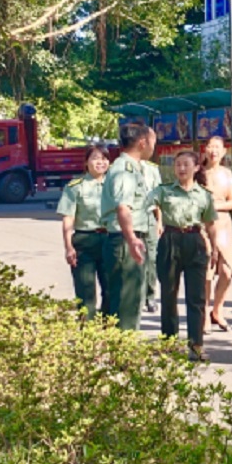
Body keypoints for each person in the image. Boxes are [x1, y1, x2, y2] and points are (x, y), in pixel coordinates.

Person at [149, 150, 218, 362]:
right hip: (170, 240)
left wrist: (215, 249)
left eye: (186, 164)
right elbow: (147, 204)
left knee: (196, 297)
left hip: (195, 241)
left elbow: (210, 224)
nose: (181, 168)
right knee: (168, 294)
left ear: (196, 168)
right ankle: (169, 343)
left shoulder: (204, 195)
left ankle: (196, 345)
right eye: (178, 164)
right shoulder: (164, 191)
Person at [100, 124, 156, 331]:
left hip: (125, 238)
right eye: (153, 142)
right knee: (128, 303)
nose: (154, 147)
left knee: (123, 300)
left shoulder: (133, 167)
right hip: (124, 241)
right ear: (142, 143)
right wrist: (132, 239)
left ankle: (119, 345)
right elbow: (123, 207)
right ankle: (124, 347)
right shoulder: (125, 170)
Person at [56, 145, 111, 320]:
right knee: (85, 292)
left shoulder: (115, 186)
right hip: (85, 240)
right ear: (86, 162)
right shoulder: (75, 187)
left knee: (111, 290)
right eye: (95, 158)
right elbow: (68, 219)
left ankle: (108, 327)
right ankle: (87, 329)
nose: (100, 162)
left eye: (104, 158)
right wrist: (68, 247)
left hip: (110, 240)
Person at [203, 136, 232, 331]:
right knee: (206, 272)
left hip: (223, 224)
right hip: (204, 225)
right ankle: (204, 313)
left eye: (217, 147)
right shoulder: (198, 172)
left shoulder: (227, 174)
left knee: (226, 271)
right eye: (210, 146)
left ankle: (217, 310)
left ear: (224, 151)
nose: (213, 151)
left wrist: (216, 206)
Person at [142, 158, 163, 313]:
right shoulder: (119, 167)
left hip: (149, 218)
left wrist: (159, 221)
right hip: (129, 217)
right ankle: (136, 296)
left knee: (152, 259)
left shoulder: (152, 169)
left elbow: (158, 198)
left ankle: (150, 296)